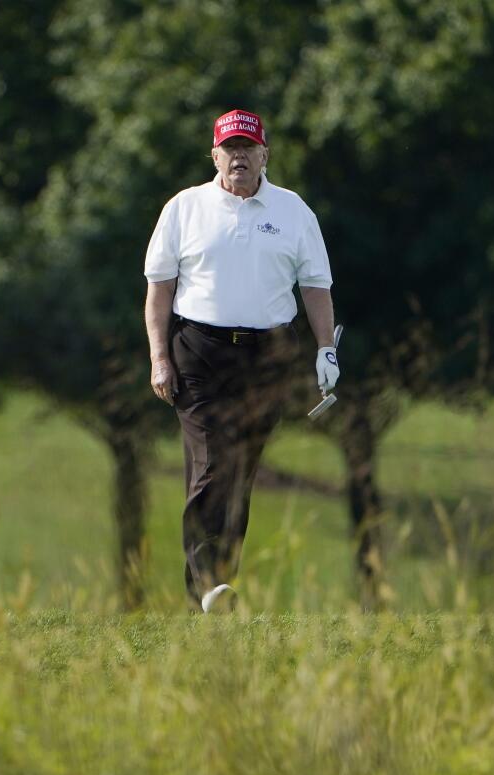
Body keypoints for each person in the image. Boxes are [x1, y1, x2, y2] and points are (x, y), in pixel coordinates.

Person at [143, 109, 339, 613]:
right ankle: (208, 582)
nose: (239, 157)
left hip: (269, 353)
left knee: (242, 467)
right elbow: (159, 292)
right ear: (215, 155)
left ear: (264, 154)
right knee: (213, 461)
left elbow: (315, 287)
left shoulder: (294, 211)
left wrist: (325, 350)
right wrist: (159, 357)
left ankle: (215, 584)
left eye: (248, 149)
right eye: (230, 149)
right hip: (198, 352)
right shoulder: (184, 208)